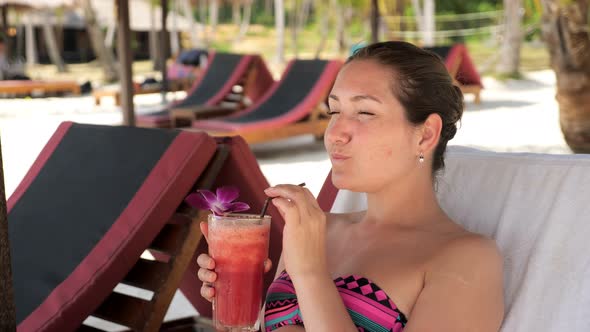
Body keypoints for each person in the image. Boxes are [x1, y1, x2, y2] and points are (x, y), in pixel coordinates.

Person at [197, 41, 505, 331]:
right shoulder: (317, 229)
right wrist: (234, 301)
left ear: (425, 135)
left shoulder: (466, 259)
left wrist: (310, 272)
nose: (335, 134)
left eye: (365, 112)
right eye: (334, 111)